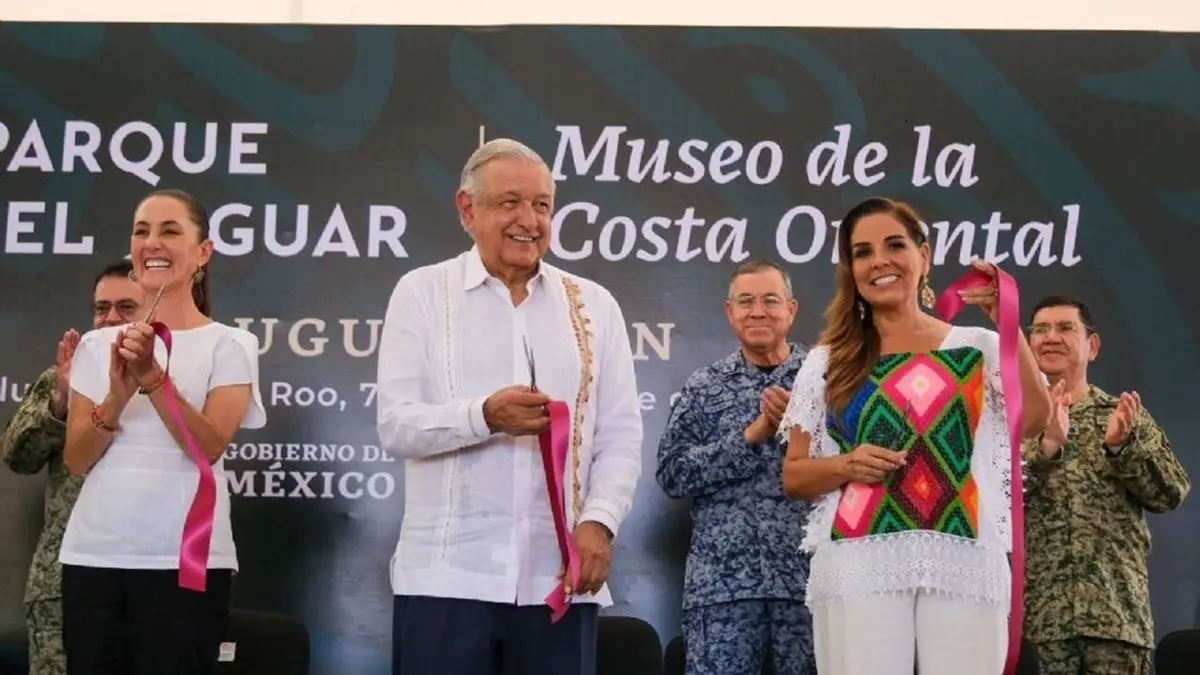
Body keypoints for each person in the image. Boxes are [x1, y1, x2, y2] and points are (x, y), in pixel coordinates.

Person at [376, 138, 643, 675]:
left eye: (542, 205)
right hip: (447, 578)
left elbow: (619, 433)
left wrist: (599, 524)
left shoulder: (594, 304)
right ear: (467, 209)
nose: (530, 219)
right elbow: (397, 424)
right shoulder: (423, 294)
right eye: (510, 203)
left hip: (559, 581)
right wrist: (484, 416)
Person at [777, 197, 1051, 675]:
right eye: (862, 252)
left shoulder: (976, 347)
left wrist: (1005, 324)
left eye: (894, 245)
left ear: (924, 256)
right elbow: (795, 475)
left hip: (962, 555)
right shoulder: (827, 361)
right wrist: (847, 464)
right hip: (861, 559)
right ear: (851, 270)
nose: (879, 261)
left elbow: (1033, 419)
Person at [59, 188, 267, 675]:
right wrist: (117, 395)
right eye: (142, 231)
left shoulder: (231, 344)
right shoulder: (96, 345)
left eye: (170, 231)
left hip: (185, 564)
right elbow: (76, 460)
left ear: (203, 253)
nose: (153, 242)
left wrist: (154, 379)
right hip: (93, 558)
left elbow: (209, 445)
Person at [656, 260, 816, 675]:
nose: (757, 311)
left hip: (808, 584)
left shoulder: (825, 381)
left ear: (792, 309)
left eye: (770, 300)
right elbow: (672, 473)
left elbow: (849, 468)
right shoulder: (704, 386)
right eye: (745, 301)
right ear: (730, 312)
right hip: (723, 589)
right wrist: (750, 437)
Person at [1022, 295, 1189, 675]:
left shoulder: (1123, 415)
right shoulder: (1010, 423)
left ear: (1092, 346)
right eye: (1041, 330)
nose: (1051, 337)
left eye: (1066, 328)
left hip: (1116, 618)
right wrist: (1045, 447)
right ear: (1028, 346)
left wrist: (1122, 448)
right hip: (1039, 624)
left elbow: (1171, 493)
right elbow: (994, 505)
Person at [1, 260, 143, 675]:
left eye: (126, 307)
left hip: (149, 580)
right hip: (61, 583)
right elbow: (16, 457)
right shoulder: (64, 378)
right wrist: (61, 403)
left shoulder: (173, 382)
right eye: (102, 307)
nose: (111, 317)